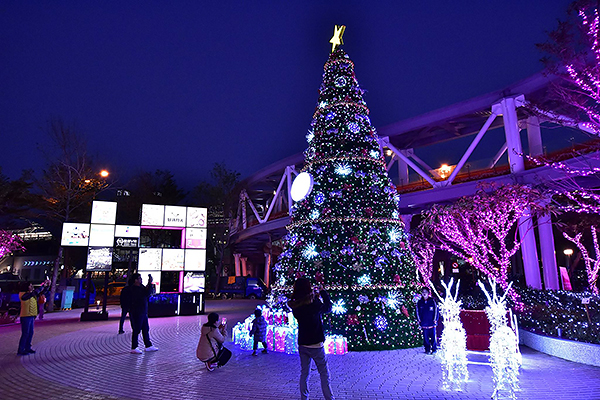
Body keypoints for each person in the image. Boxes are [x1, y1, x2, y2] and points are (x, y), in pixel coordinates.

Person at [288, 277, 334, 400]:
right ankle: (329, 398)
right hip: (316, 344)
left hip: (303, 343)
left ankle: (304, 398)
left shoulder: (295, 305)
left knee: (304, 373)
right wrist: (323, 293)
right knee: (324, 374)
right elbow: (328, 308)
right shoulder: (314, 304)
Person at [128, 273, 158, 354]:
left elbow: (148, 293)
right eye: (139, 278)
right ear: (135, 280)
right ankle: (134, 347)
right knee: (136, 329)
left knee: (145, 329)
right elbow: (146, 294)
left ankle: (148, 345)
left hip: (143, 311)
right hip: (137, 312)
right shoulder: (134, 289)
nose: (141, 280)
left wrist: (149, 283)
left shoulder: (141, 287)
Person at [17, 280, 49, 355]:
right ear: (26, 287)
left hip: (32, 315)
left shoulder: (32, 294)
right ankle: (21, 350)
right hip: (25, 316)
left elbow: (42, 293)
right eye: (30, 286)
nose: (32, 287)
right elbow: (35, 292)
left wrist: (47, 286)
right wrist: (43, 285)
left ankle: (28, 348)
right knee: (25, 333)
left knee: (30, 332)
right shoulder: (23, 295)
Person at [416, 286, 439, 354]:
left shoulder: (432, 301)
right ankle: (427, 349)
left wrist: (435, 320)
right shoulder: (420, 302)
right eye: (423, 292)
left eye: (425, 292)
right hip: (424, 323)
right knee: (425, 338)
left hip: (432, 323)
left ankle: (434, 349)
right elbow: (417, 312)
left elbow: (436, 311)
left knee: (433, 337)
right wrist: (419, 320)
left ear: (428, 293)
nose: (424, 294)